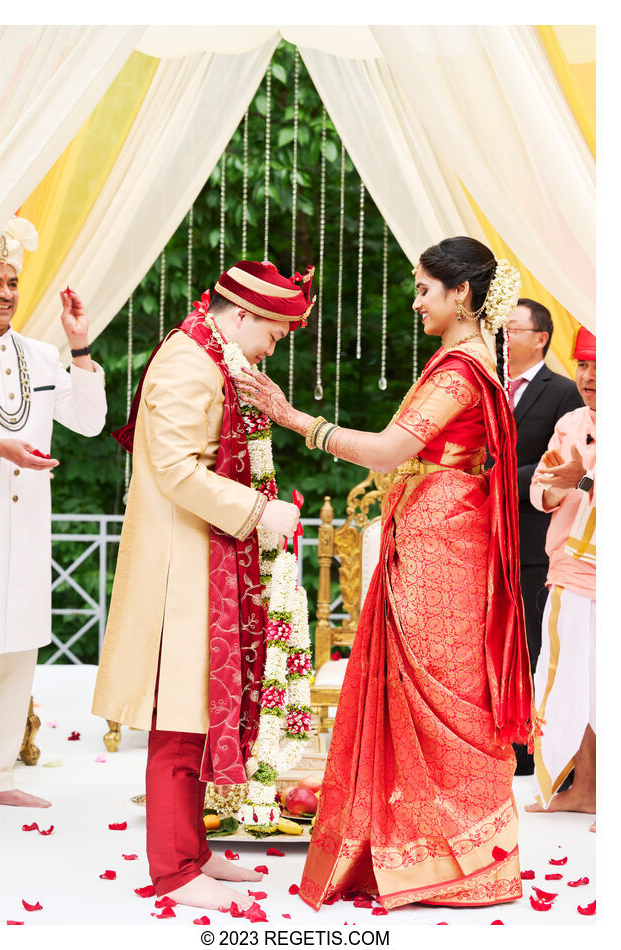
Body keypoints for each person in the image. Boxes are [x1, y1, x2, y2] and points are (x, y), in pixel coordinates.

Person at [237, 237, 535, 910]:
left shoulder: (461, 367)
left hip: (441, 541)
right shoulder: (468, 358)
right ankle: (432, 857)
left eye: (425, 288)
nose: (416, 299)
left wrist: (294, 420)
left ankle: (452, 863)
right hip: (441, 526)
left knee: (442, 695)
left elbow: (389, 450)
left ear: (461, 293)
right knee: (431, 692)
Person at [92, 260, 313, 912]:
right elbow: (176, 469)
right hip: (179, 573)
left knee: (195, 716)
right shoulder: (189, 363)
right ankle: (175, 871)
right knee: (176, 723)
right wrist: (258, 512)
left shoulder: (210, 356)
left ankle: (193, 851)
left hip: (204, 565)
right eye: (275, 331)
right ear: (241, 315)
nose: (276, 345)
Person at [0, 216, 107, 807]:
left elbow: (88, 421)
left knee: (17, 647)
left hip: (26, 525)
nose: (7, 293)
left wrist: (79, 344)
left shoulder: (39, 355)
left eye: (12, 282)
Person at [505, 300, 582, 775]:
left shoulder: (567, 392)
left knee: (536, 647)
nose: (504, 337)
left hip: (536, 539)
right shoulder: (485, 385)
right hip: (483, 538)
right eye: (501, 328)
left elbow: (568, 463)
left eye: (513, 328)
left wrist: (498, 481)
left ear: (541, 337)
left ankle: (538, 755)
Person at [524, 326, 596, 831]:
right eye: (583, 364)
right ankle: (585, 789)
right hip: (570, 567)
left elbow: (585, 482)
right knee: (571, 680)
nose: (588, 376)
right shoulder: (572, 420)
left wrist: (584, 479)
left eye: (599, 365)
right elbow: (541, 492)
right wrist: (552, 487)